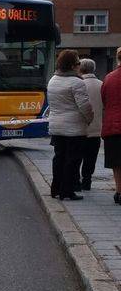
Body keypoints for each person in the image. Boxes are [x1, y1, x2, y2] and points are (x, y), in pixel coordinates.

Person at [47, 49, 92, 201]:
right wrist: (89, 119)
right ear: (73, 64)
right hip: (74, 129)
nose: (79, 65)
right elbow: (84, 106)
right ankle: (67, 190)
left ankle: (55, 188)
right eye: (78, 62)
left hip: (56, 126)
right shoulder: (77, 82)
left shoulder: (53, 80)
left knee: (58, 158)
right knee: (72, 160)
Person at [78, 58, 103, 190]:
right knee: (91, 158)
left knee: (76, 157)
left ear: (80, 69)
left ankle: (76, 181)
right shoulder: (101, 84)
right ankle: (87, 181)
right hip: (96, 129)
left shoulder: (78, 84)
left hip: (79, 129)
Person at [101, 47, 121, 205]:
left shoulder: (109, 78)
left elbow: (104, 99)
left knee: (116, 162)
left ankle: (119, 191)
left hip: (113, 126)